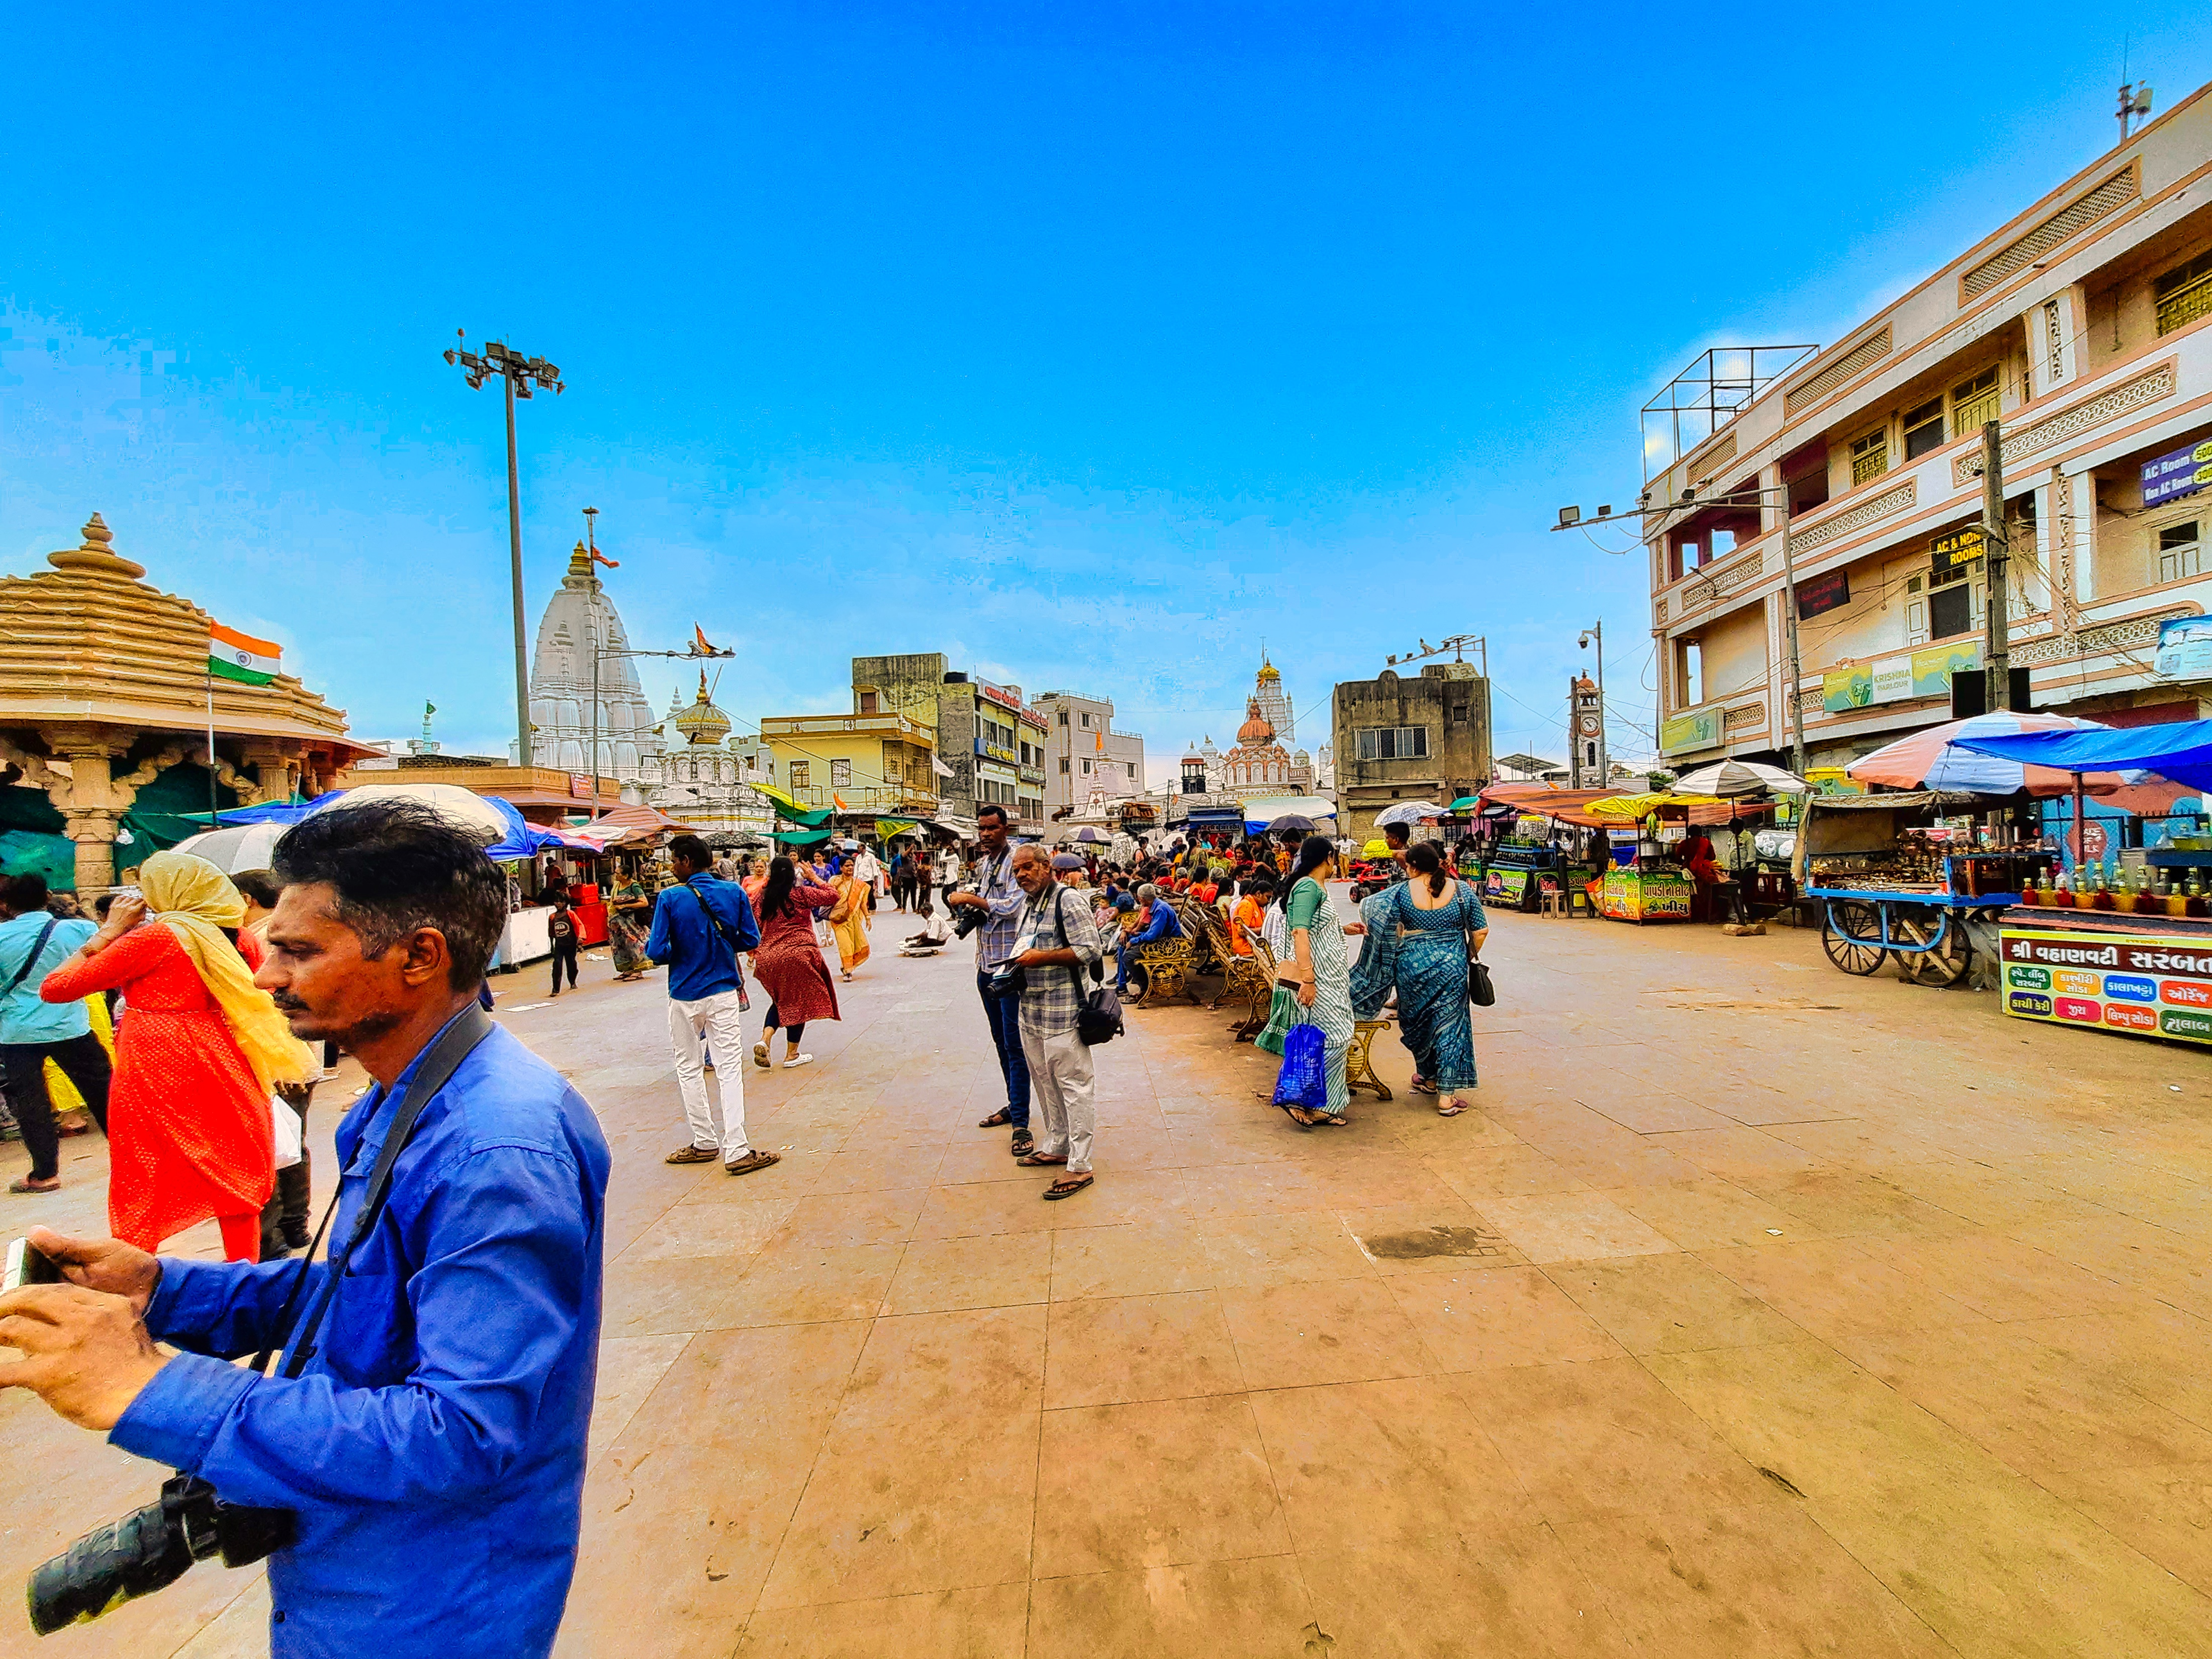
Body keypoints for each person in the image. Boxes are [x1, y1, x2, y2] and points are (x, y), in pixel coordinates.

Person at [0, 799, 611, 1659]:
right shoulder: (409, 1098)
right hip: (354, 1563)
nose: (263, 976)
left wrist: (147, 1387)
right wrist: (164, 1290)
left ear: (418, 958)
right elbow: (366, 1297)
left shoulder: (495, 1149)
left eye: (297, 951)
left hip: (431, 1601)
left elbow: (460, 1431)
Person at [40, 854, 312, 1259]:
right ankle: (244, 1264)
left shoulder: (156, 939)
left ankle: (135, 1263)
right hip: (226, 1053)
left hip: (155, 1057)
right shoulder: (239, 938)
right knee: (231, 1161)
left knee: (144, 1162)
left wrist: (109, 932)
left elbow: (56, 987)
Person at [646, 835, 774, 1176]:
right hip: (722, 992)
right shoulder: (733, 892)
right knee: (729, 1067)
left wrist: (683, 949)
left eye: (675, 861)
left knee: (688, 1067)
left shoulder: (670, 898)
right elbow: (750, 939)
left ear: (687, 862)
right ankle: (737, 1149)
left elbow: (656, 952)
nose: (672, 868)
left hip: (684, 994)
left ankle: (704, 1142)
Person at [1005, 845, 1103, 1199]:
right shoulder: (1028, 905)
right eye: (1017, 871)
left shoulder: (1069, 900)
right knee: (1045, 1084)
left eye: (1029, 868)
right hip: (1031, 1010)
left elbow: (1090, 949)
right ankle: (1057, 1143)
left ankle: (1080, 1165)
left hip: (1065, 1011)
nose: (1022, 876)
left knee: (1074, 1087)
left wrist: (1040, 958)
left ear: (1047, 867)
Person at [0, 874, 108, 1194]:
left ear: (5, 905)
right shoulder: (80, 929)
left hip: (17, 1032)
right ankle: (138, 1159)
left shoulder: (2, 937)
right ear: (47, 896)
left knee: (30, 1102)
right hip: (71, 1024)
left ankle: (45, 1173)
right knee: (105, 1093)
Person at [1369, 840, 1490, 1117]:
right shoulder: (1461, 891)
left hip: (1411, 968)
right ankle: (1446, 1096)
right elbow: (1481, 931)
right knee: (1450, 1026)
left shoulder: (1400, 893)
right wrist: (1464, 954)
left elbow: (1383, 923)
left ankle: (1427, 1075)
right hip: (1452, 967)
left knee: (1417, 1022)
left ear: (1411, 867)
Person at [235, 870, 321, 1256]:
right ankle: (296, 1226)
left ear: (246, 897)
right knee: (290, 1140)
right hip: (295, 1054)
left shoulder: (253, 937)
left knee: (269, 1146)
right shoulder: (296, 928)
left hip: (269, 1054)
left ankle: (273, 1241)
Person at [945, 804, 1033, 1156]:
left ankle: (1023, 1124)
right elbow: (983, 907)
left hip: (1009, 967)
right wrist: (968, 905)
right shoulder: (984, 865)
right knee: (1000, 1041)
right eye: (981, 829)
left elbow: (1011, 906)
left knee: (1015, 1044)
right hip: (985, 965)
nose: (984, 835)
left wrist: (970, 899)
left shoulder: (1016, 864)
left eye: (991, 829)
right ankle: (1014, 1103)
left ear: (1005, 829)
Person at [1255, 836, 1359, 1127]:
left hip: (1331, 978)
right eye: (1335, 857)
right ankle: (1306, 1099)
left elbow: (1313, 927)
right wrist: (1308, 979)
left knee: (1325, 1038)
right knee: (1334, 1038)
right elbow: (1299, 932)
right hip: (1319, 980)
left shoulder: (1315, 888)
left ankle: (1319, 1103)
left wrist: (1343, 929)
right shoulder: (1307, 887)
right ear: (1327, 857)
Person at [750, 856, 840, 1069]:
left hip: (768, 957)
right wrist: (814, 877)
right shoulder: (801, 894)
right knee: (798, 1002)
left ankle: (765, 1039)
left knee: (782, 1000)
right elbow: (833, 895)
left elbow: (751, 921)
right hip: (798, 955)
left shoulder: (760, 898)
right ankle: (792, 1054)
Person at [1116, 881, 1183, 998]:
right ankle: (1122, 984)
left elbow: (1153, 936)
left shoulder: (1160, 910)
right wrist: (1134, 936)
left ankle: (1146, 988)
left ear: (1142, 899)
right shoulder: (1155, 906)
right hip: (1163, 940)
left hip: (1168, 945)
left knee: (1128, 957)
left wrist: (1134, 941)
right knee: (1123, 944)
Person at [828, 859, 872, 983]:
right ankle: (848, 972)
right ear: (841, 868)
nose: (850, 868)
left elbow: (863, 903)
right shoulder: (834, 880)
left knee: (855, 945)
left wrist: (868, 918)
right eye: (847, 866)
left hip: (853, 920)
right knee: (845, 945)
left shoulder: (859, 884)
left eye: (852, 865)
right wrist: (837, 885)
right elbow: (828, 896)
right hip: (839, 919)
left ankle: (847, 966)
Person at [606, 865, 653, 981]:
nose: (616, 875)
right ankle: (628, 969)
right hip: (618, 923)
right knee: (621, 945)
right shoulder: (617, 886)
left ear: (626, 876)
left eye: (618, 874)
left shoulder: (634, 886)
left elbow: (644, 903)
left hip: (631, 922)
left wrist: (626, 905)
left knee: (633, 944)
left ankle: (638, 971)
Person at [546, 893, 580, 995]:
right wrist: (552, 946)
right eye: (556, 902)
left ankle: (573, 982)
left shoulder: (570, 914)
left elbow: (578, 926)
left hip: (571, 944)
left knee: (572, 964)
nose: (558, 904)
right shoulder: (552, 917)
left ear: (566, 903)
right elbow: (551, 933)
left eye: (561, 902)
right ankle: (556, 989)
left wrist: (580, 940)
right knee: (557, 965)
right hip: (559, 945)